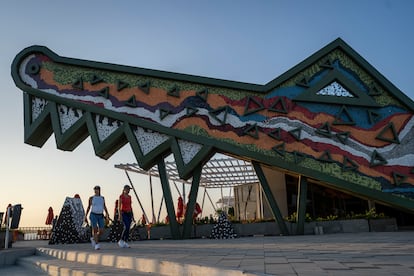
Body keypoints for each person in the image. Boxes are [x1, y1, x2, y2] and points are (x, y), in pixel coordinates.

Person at [84, 185, 109, 250]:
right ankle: (97, 244)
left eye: (97, 189)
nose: (96, 191)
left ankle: (94, 238)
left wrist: (107, 214)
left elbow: (104, 206)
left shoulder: (102, 198)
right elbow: (89, 207)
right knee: (94, 229)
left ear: (99, 190)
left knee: (101, 230)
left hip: (100, 215)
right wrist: (85, 216)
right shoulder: (91, 198)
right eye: (95, 189)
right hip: (93, 214)